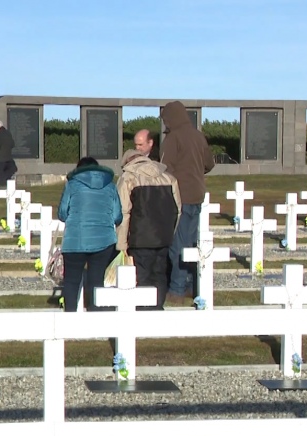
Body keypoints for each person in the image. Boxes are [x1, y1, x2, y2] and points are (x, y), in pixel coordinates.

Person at [160, 101, 215, 304]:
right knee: (191, 244)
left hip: (179, 198)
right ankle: (192, 285)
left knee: (178, 245)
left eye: (166, 119)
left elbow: (164, 169)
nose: (165, 123)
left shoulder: (173, 138)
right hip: (197, 195)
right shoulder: (198, 136)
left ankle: (177, 289)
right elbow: (209, 163)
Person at [116, 149, 181, 309]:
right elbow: (177, 210)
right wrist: (169, 233)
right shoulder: (168, 178)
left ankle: (143, 310)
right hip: (163, 237)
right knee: (159, 274)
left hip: (139, 238)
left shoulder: (128, 178)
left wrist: (121, 243)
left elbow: (123, 212)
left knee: (142, 276)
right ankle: (157, 308)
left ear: (127, 162)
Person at [57, 156, 121, 312]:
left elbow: (62, 213)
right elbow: (117, 216)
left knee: (71, 281)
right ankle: (95, 314)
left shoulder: (72, 185)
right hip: (104, 240)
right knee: (96, 280)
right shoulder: (110, 186)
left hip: (75, 239)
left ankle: (70, 315)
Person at [0, 120, 17, 186]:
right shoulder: (8, 133)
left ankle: (1, 185)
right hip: (8, 157)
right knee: (11, 169)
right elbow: (12, 144)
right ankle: (6, 183)